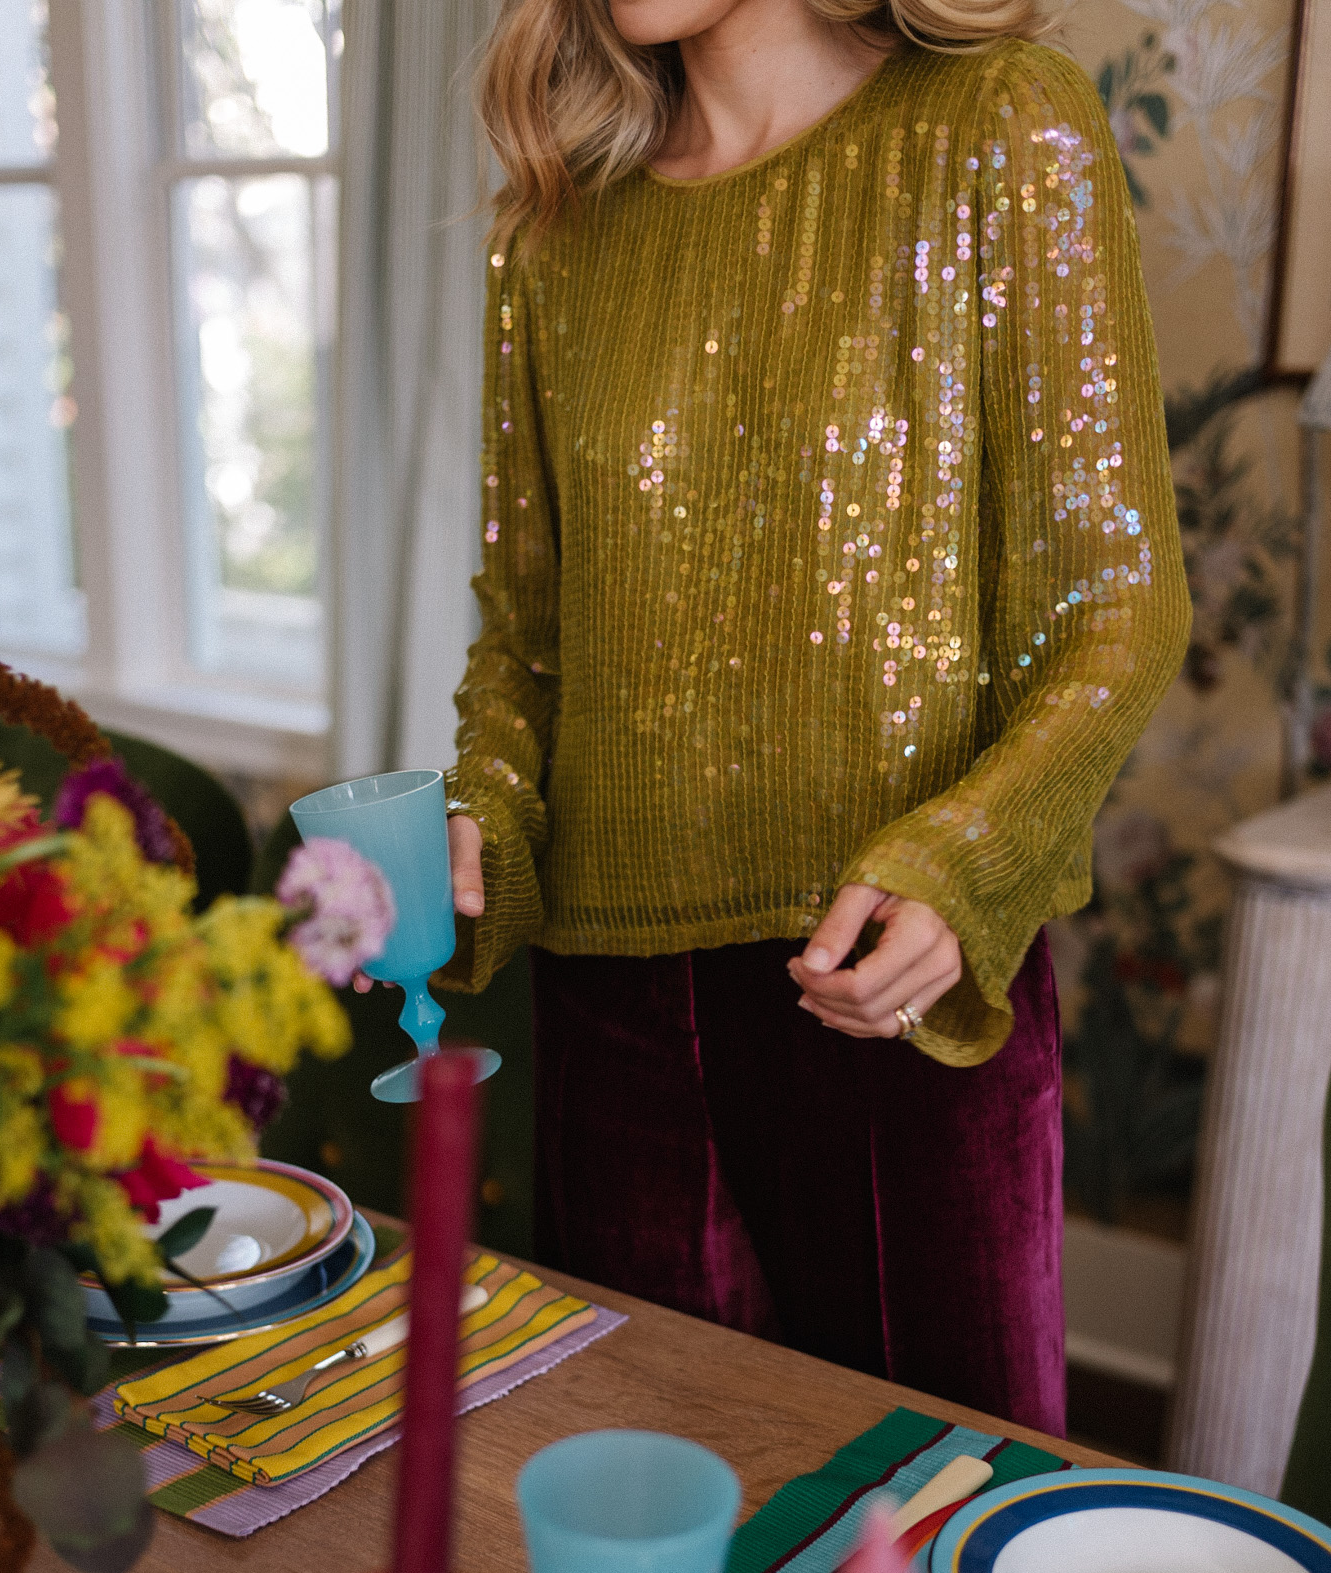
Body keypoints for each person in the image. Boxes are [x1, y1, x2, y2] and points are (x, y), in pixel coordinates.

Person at [431, 0, 1191, 1432]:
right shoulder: (552, 230)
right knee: (654, 1566)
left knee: (939, 1558)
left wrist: (958, 867)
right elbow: (531, 648)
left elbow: (1116, 614)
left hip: (894, 1004)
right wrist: (487, 810)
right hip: (610, 1021)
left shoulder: (1001, 126)